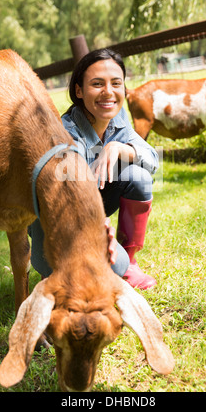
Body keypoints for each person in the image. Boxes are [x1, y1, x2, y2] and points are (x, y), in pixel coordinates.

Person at [30, 48, 159, 290]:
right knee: (102, 271)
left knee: (138, 176)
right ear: (78, 91)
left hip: (93, 204)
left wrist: (120, 148)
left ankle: (129, 262)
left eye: (116, 83)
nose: (108, 92)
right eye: (97, 84)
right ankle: (52, 267)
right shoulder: (65, 132)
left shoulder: (118, 120)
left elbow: (152, 159)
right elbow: (69, 194)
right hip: (57, 218)